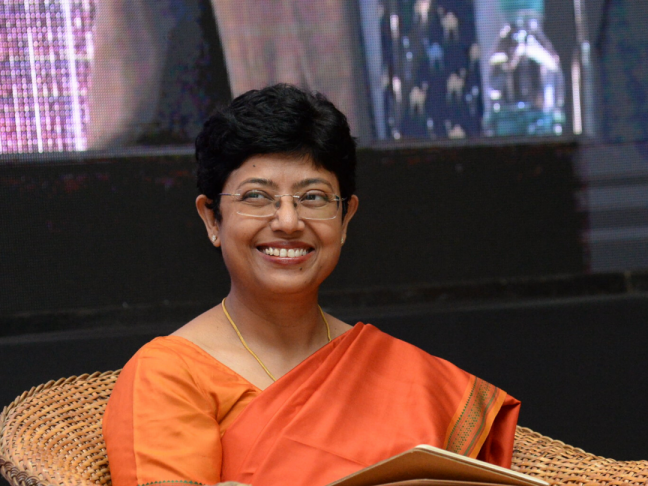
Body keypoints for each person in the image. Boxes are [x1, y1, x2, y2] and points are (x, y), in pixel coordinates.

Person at [103, 84, 520, 486]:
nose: (288, 222)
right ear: (212, 219)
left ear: (345, 219)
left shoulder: (406, 376)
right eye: (256, 196)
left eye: (314, 197)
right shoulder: (170, 376)